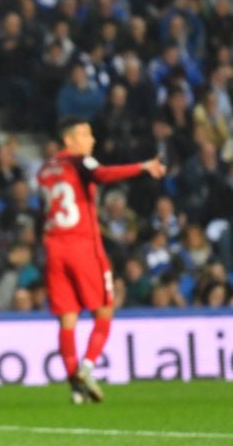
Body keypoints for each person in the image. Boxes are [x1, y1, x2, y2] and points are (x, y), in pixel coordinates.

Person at [37, 116, 165, 404]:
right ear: (69, 140)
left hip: (53, 247)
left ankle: (75, 389)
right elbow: (103, 175)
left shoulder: (45, 168)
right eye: (85, 134)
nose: (91, 140)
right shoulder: (81, 162)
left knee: (67, 319)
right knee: (105, 309)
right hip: (82, 246)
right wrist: (142, 167)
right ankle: (87, 367)